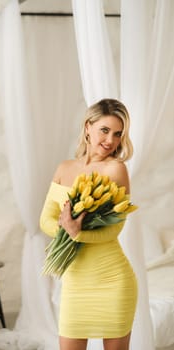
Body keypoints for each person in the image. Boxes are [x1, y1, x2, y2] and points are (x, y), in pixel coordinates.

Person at [40, 98, 138, 350]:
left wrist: (77, 233)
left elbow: (115, 228)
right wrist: (66, 231)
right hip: (75, 283)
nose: (110, 140)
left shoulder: (115, 169)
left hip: (112, 280)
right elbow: (45, 219)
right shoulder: (64, 168)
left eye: (118, 134)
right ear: (87, 127)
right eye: (104, 130)